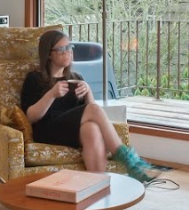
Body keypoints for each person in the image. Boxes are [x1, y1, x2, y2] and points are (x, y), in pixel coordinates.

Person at [20, 30, 124, 173]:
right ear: (49, 54)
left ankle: (98, 182)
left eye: (69, 47)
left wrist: (88, 91)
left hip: (71, 129)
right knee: (93, 110)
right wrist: (51, 94)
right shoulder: (34, 78)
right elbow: (31, 116)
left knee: (91, 129)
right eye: (61, 49)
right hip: (47, 130)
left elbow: (90, 112)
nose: (67, 52)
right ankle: (124, 155)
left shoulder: (76, 78)